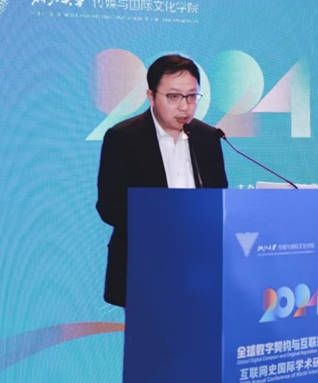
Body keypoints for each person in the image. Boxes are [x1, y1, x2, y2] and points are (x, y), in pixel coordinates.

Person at [96, 54, 228, 307]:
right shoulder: (123, 138)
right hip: (144, 268)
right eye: (174, 97)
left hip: (200, 268)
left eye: (192, 96)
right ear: (151, 96)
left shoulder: (208, 137)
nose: (185, 107)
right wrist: (163, 221)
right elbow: (109, 207)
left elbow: (219, 197)